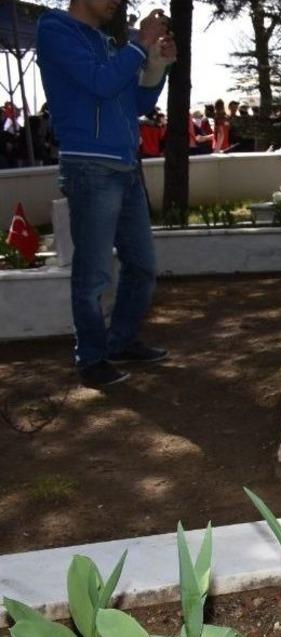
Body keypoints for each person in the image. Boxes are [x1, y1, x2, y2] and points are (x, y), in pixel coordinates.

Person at [37, 2, 175, 387]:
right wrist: (138, 46)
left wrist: (156, 64)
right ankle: (91, 358)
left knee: (142, 266)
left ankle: (121, 341)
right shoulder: (55, 30)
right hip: (90, 166)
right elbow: (99, 82)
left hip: (125, 165)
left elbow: (137, 104)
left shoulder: (107, 42)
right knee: (94, 273)